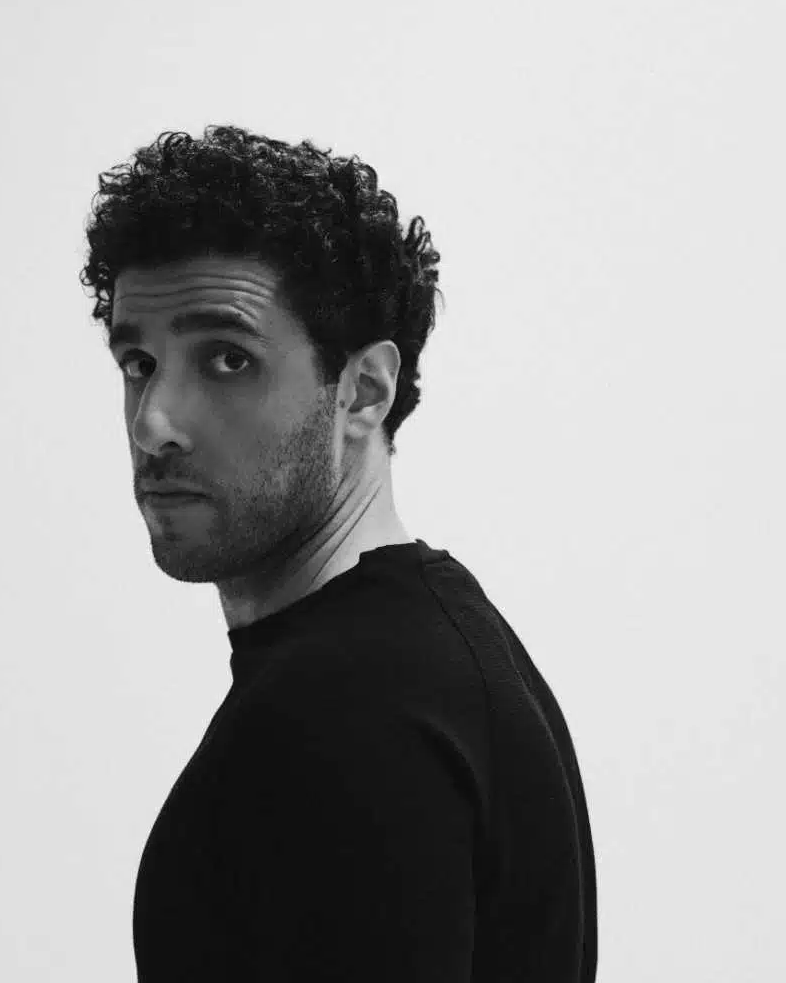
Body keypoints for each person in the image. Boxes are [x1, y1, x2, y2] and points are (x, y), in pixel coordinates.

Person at [80, 125, 597, 981]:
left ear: (363, 392)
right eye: (139, 362)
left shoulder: (346, 720)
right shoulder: (428, 652)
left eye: (227, 360)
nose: (153, 423)